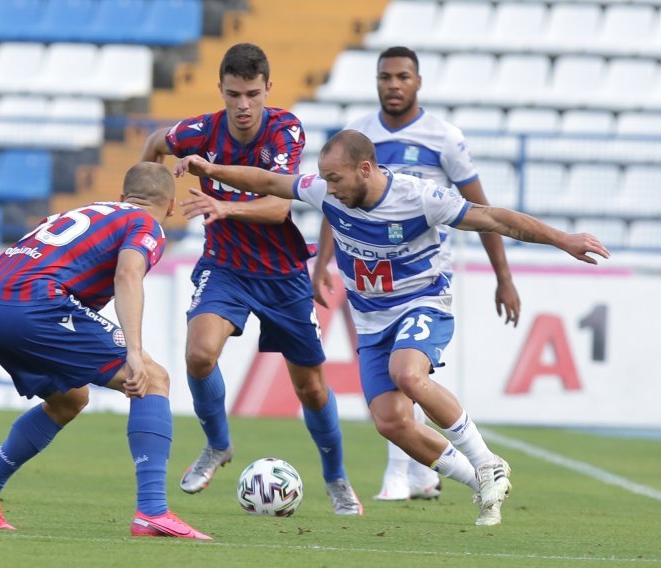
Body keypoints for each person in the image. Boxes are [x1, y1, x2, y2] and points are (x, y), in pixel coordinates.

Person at [173, 129, 610, 526]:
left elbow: (498, 219)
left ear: (365, 169)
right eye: (325, 177)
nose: (329, 187)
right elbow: (267, 183)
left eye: (337, 177)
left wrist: (562, 239)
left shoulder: (420, 198)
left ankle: (486, 461)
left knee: (408, 374)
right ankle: (481, 483)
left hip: (421, 303)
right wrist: (212, 170)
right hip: (371, 321)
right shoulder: (327, 192)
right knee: (391, 422)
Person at [0, 162, 211, 539]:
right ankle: (152, 512)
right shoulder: (145, 224)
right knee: (153, 378)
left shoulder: (73, 215)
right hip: (35, 308)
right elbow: (128, 274)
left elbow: (0, 273)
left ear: (123, 197)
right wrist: (135, 351)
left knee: (69, 399)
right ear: (171, 206)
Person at [140, 43, 363, 515]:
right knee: (199, 354)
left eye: (253, 94)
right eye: (234, 94)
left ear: (268, 90)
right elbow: (157, 142)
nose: (243, 105)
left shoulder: (284, 131)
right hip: (225, 267)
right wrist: (149, 211)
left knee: (311, 388)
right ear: (220, 89)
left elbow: (279, 205)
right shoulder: (201, 130)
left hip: (282, 275)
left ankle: (336, 475)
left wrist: (224, 205)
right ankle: (218, 445)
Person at [312, 45, 522, 502]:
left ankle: (407, 473)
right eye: (385, 77)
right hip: (368, 273)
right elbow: (335, 205)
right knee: (392, 392)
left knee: (408, 371)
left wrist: (502, 276)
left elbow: (483, 210)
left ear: (417, 82)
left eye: (402, 77)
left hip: (423, 273)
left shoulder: (444, 137)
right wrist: (321, 263)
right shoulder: (358, 135)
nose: (393, 85)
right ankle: (427, 474)